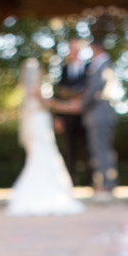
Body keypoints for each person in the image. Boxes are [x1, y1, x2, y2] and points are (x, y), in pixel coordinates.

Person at [7, 58, 84, 216]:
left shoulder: (28, 91)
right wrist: (64, 105)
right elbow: (46, 104)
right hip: (40, 122)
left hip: (37, 122)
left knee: (41, 154)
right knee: (44, 153)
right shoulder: (36, 90)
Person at [80, 36, 118, 200]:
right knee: (101, 150)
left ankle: (106, 183)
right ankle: (105, 181)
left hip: (100, 116)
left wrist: (81, 104)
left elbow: (95, 91)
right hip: (98, 116)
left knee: (102, 150)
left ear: (96, 48)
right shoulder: (100, 65)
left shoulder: (102, 65)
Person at [54, 38, 89, 183]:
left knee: (88, 148)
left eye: (76, 49)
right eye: (71, 49)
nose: (73, 52)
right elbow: (58, 93)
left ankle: (90, 180)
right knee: (69, 148)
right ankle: (70, 180)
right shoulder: (63, 69)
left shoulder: (89, 68)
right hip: (68, 116)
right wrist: (58, 117)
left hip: (86, 115)